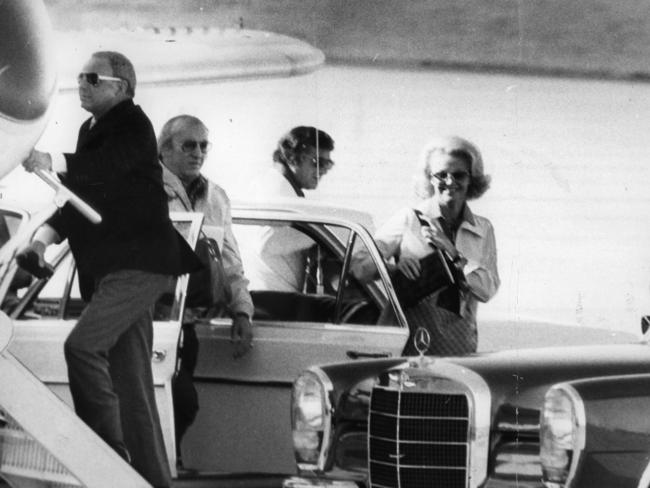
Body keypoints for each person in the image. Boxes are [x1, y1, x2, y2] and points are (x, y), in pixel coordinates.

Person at [19, 51, 201, 488]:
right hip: (119, 269)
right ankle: (152, 480)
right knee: (132, 384)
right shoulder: (92, 129)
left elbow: (107, 168)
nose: (81, 83)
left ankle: (104, 458)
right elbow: (85, 199)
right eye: (80, 77)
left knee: (82, 348)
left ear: (120, 87)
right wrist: (41, 242)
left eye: (92, 78)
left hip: (138, 266)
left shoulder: (134, 126)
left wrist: (54, 161)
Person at [157, 114, 254, 466]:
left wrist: (242, 311)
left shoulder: (216, 197)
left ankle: (168, 465)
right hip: (150, 321)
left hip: (188, 324)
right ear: (164, 149)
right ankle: (159, 467)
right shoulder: (144, 189)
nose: (198, 153)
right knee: (179, 401)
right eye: (188, 145)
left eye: (203, 145)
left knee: (177, 403)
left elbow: (230, 262)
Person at [352, 135, 499, 355]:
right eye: (441, 175)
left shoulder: (482, 229)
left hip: (459, 347)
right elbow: (358, 266)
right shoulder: (409, 219)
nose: (450, 182)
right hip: (408, 345)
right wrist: (392, 269)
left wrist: (452, 253)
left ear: (472, 179)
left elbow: (486, 290)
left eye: (458, 174)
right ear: (429, 178)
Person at [246, 126, 335, 291]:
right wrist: (323, 235)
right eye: (317, 162)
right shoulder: (274, 188)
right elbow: (268, 242)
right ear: (292, 157)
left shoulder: (280, 186)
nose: (323, 170)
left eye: (327, 164)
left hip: (272, 295)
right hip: (268, 299)